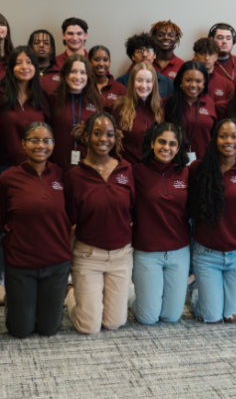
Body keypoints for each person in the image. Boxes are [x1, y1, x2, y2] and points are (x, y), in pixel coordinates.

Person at [0, 122, 72, 338]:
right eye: (34, 140)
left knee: (48, 330)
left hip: (57, 264)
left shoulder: (61, 175)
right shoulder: (8, 178)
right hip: (22, 265)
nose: (41, 145)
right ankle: (15, 303)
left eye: (46, 140)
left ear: (53, 144)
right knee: (21, 330)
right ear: (23, 143)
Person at [63, 112, 135, 334]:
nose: (104, 139)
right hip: (88, 256)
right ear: (87, 136)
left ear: (116, 138)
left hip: (121, 257)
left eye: (110, 134)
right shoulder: (74, 175)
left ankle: (115, 294)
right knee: (89, 327)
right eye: (97, 133)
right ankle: (72, 295)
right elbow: (71, 220)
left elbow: (132, 208)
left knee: (113, 323)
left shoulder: (126, 169)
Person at [187, 119, 236, 323]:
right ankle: (194, 287)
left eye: (234, 136)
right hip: (206, 254)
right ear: (215, 139)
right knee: (211, 317)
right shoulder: (197, 169)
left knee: (231, 317)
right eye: (223, 136)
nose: (229, 141)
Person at [131, 123, 192, 324]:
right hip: (148, 253)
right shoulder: (136, 172)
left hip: (179, 252)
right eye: (162, 142)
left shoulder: (185, 173)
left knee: (171, 317)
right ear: (152, 143)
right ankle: (131, 297)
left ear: (178, 147)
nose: (167, 147)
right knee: (148, 318)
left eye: (172, 144)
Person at [0, 46, 50, 174]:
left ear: (36, 67)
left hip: (35, 166)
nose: (24, 67)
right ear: (10, 68)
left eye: (29, 62)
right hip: (2, 166)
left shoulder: (43, 97)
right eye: (18, 63)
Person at [47, 54, 103, 170]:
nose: (78, 77)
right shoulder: (53, 98)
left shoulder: (97, 101)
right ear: (65, 74)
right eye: (73, 71)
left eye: (83, 72)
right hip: (56, 167)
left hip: (88, 168)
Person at [111, 62, 165, 165]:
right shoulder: (119, 107)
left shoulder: (160, 109)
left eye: (148, 81)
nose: (143, 85)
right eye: (139, 80)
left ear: (153, 83)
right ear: (132, 82)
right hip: (126, 170)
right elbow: (113, 145)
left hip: (151, 170)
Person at [164, 61, 217, 161]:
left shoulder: (210, 103)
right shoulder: (168, 103)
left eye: (198, 81)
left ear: (204, 81)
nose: (193, 85)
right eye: (188, 80)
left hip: (205, 163)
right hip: (174, 164)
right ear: (180, 80)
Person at [115, 32, 174, 98]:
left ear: (154, 55)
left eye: (149, 50)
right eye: (140, 51)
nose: (144, 55)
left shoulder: (168, 83)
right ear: (133, 56)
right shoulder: (120, 82)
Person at [192, 37, 234, 113]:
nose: (207, 58)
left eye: (211, 54)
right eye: (202, 53)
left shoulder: (227, 84)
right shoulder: (187, 81)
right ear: (195, 56)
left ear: (216, 57)